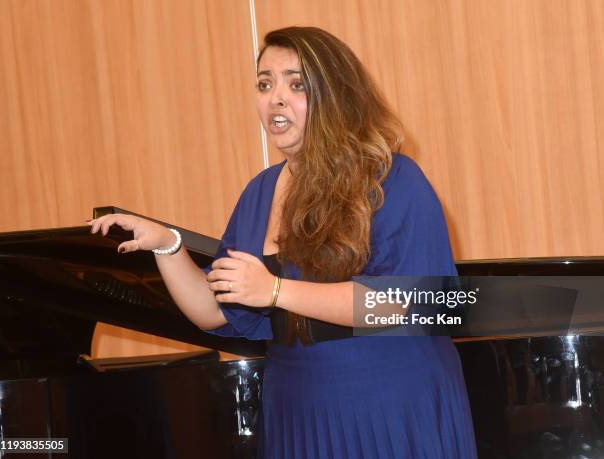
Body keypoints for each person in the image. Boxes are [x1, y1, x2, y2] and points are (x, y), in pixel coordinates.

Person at [89, 26, 477, 458]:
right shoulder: (260, 191)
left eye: (296, 84)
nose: (275, 98)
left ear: (335, 96)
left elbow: (404, 302)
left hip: (387, 402)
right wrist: (167, 244)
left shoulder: (393, 179)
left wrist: (275, 290)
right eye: (264, 83)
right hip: (296, 404)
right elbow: (212, 310)